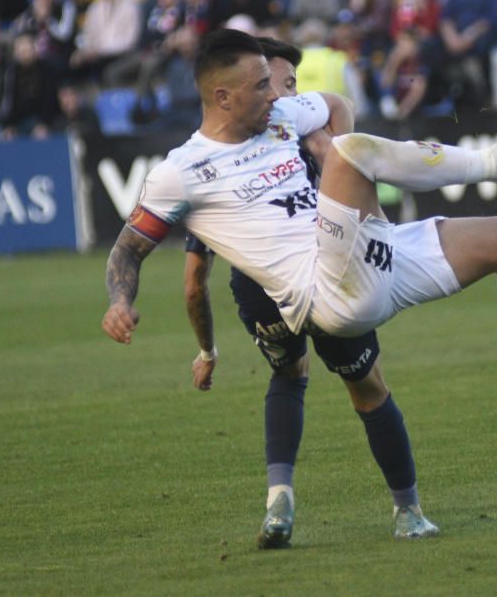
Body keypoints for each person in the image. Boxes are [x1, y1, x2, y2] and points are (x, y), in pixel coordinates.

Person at [100, 29, 497, 546]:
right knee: (349, 157)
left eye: (274, 82)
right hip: (329, 293)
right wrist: (120, 301)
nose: (276, 93)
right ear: (222, 98)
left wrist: (328, 156)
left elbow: (336, 106)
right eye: (261, 85)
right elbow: (129, 247)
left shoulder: (280, 118)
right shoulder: (181, 171)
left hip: (372, 252)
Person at [182, 35, 435, 548]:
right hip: (324, 280)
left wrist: (207, 349)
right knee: (368, 389)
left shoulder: (210, 163)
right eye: (283, 83)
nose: (290, 94)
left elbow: (193, 279)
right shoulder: (300, 148)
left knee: (287, 374)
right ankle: (408, 510)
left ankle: (279, 499)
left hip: (256, 294)